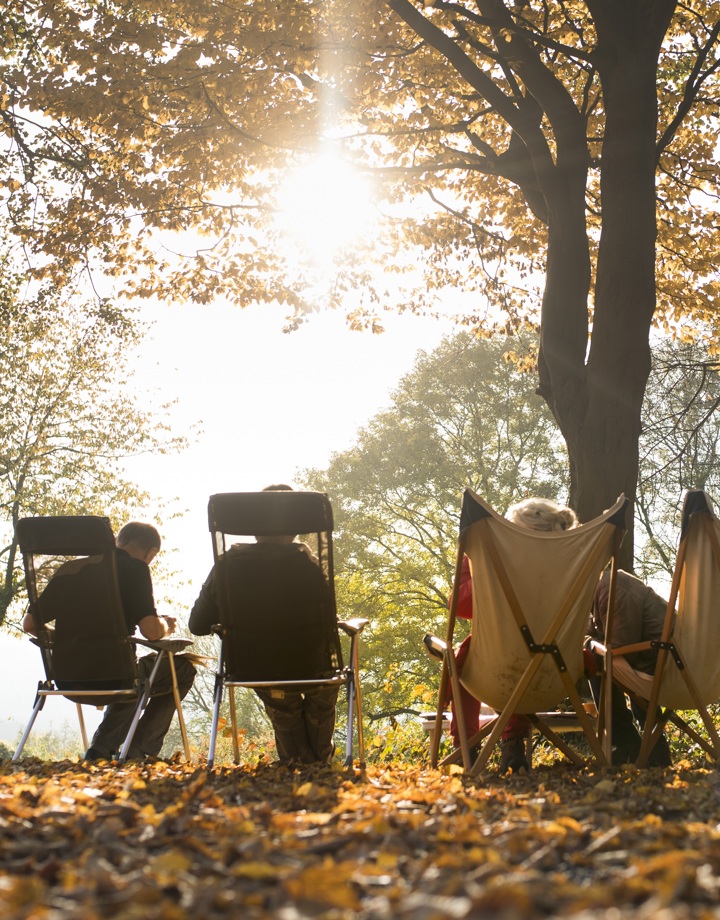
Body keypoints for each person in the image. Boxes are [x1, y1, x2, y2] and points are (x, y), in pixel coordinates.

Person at [189, 484, 338, 766]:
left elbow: (197, 625)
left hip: (255, 664)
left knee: (282, 700)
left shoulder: (226, 565)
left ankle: (300, 762)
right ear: (296, 529)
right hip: (312, 664)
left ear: (253, 527)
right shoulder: (311, 565)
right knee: (321, 693)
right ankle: (316, 763)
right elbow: (327, 620)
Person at [23, 521, 196, 762]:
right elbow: (151, 631)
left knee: (134, 674)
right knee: (181, 669)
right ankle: (137, 750)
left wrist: (65, 636)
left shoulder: (69, 569)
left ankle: (100, 751)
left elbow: (30, 624)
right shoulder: (135, 569)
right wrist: (166, 624)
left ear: (118, 541)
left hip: (66, 678)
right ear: (151, 553)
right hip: (117, 675)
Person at [447, 497, 579, 774]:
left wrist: (470, 570)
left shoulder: (494, 567)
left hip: (496, 671)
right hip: (558, 675)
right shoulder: (574, 565)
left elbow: (459, 606)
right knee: (527, 652)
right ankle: (513, 745)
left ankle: (465, 747)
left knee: (467, 655)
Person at [586, 568, 673, 766]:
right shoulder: (597, 591)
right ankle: (651, 749)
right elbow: (594, 635)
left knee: (596, 660)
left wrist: (589, 646)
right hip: (658, 663)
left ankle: (629, 745)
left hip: (665, 667)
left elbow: (620, 647)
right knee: (598, 657)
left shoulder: (611, 586)